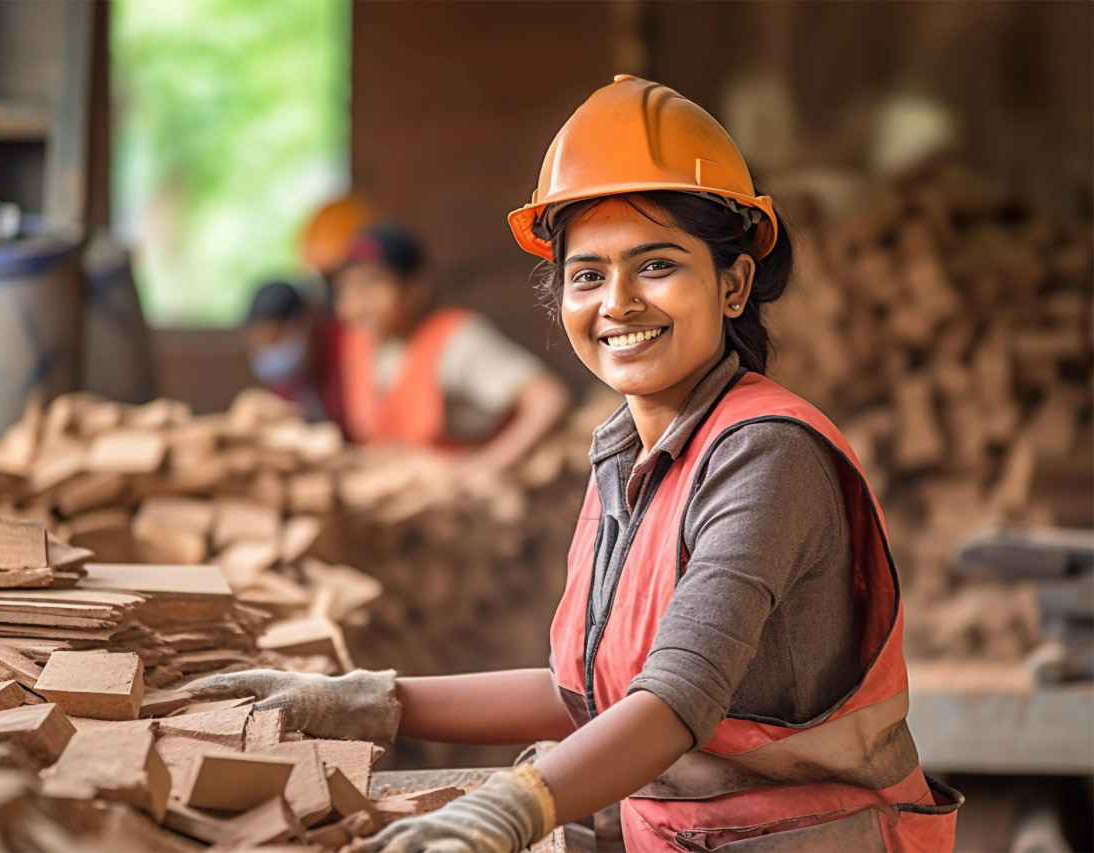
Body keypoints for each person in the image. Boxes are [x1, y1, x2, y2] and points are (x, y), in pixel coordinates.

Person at [188, 76, 963, 851]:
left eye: (656, 265)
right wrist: (360, 699)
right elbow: (589, 695)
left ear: (734, 284)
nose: (616, 302)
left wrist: (508, 808)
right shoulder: (630, 451)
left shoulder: (767, 453)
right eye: (587, 274)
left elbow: (669, 702)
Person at [331, 224, 571, 475]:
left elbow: (548, 400)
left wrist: (484, 468)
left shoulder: (456, 339)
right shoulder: (359, 343)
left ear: (416, 287)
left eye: (372, 285)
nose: (356, 302)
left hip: (457, 499)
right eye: (346, 289)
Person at [242, 280, 343, 424]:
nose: (270, 352)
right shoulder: (286, 381)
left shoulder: (342, 353)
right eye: (261, 344)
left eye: (275, 339)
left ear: (307, 323)